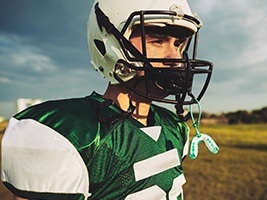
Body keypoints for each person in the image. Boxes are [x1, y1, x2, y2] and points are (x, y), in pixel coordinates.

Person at [1, 0, 216, 199]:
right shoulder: (66, 134)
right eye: (157, 41)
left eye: (179, 44)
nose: (175, 58)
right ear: (109, 43)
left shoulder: (175, 128)